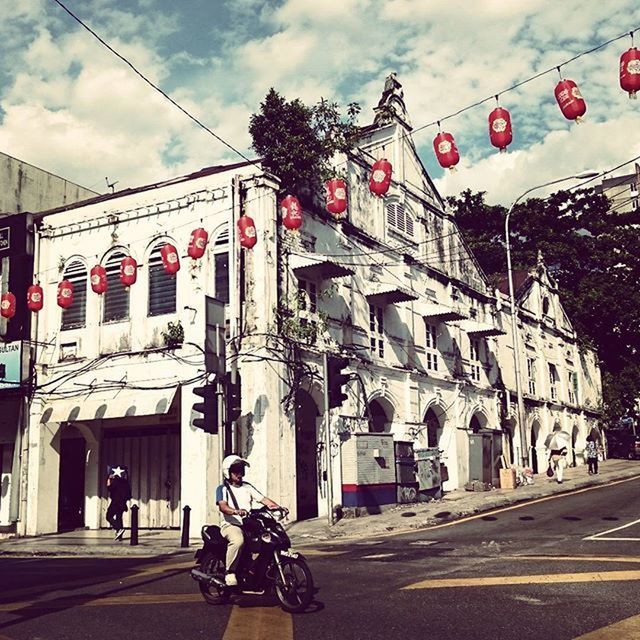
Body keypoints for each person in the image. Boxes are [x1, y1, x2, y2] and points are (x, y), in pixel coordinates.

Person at [216, 455, 286, 587]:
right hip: (231, 525)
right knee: (238, 541)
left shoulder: (247, 487)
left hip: (248, 524)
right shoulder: (223, 489)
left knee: (265, 540)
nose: (240, 474)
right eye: (236, 470)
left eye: (241, 470)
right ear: (228, 471)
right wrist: (236, 511)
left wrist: (278, 507)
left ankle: (255, 571)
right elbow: (223, 507)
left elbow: (264, 499)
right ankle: (230, 572)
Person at [106, 465, 132, 541]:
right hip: (123, 503)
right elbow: (129, 494)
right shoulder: (126, 483)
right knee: (119, 518)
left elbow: (110, 488)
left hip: (116, 502)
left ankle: (118, 529)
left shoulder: (117, 481)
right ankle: (119, 535)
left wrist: (108, 481)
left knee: (108, 516)